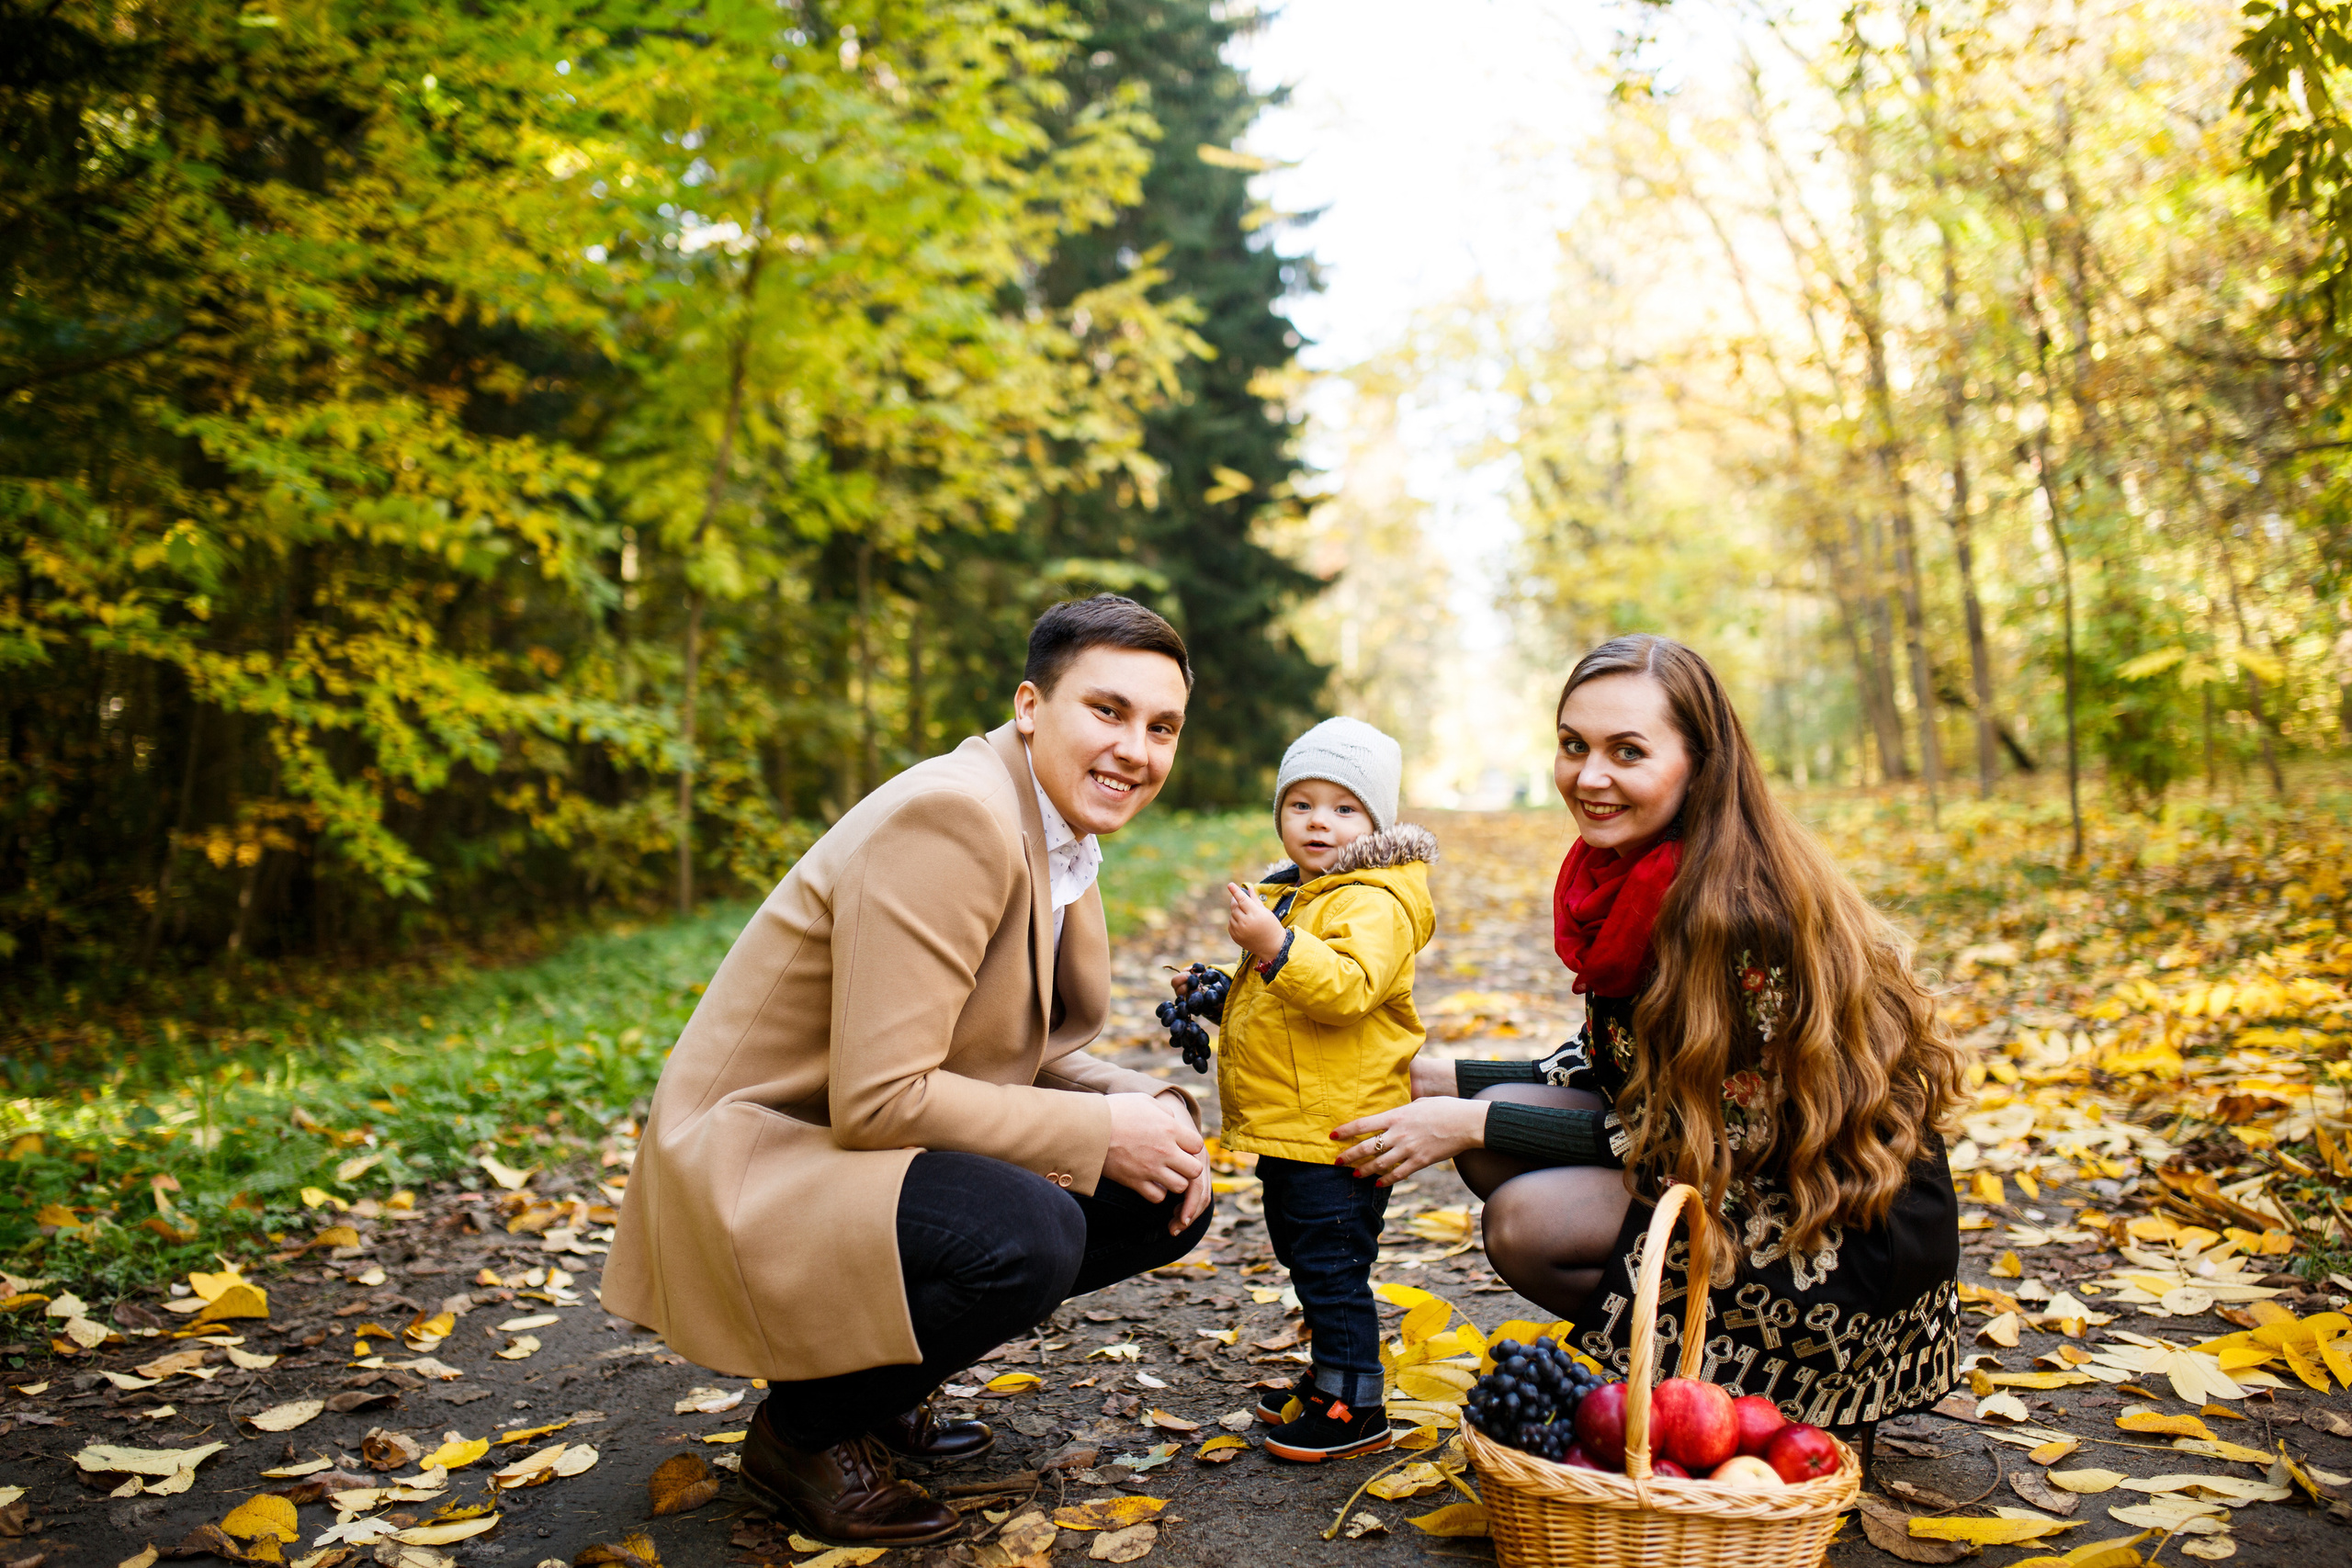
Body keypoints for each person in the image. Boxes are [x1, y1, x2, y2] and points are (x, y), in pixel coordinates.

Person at [603, 595, 1215, 1547]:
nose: (1135, 749)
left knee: (1161, 1188)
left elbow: (1033, 1051)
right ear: (1029, 706)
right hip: (759, 1150)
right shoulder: (953, 818)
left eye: (1160, 726)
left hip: (844, 1136)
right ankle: (803, 1434)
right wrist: (1100, 1134)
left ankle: (870, 1388)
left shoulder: (1054, 829)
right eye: (1107, 711)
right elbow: (881, 1096)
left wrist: (1153, 1109)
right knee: (1032, 1231)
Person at [1330, 634, 1968, 1433]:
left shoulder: (1738, 912)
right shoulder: (1637, 869)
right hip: (1740, 1168)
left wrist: (1468, 1116)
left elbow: (1716, 1132)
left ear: (1700, 762)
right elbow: (1622, 1064)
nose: (1589, 777)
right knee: (1490, 1134)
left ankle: (1739, 1394)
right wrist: (1447, 1080)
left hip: (1836, 1237)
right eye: (1573, 745)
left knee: (1524, 1216)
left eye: (1626, 751)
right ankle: (1677, 1367)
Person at [1170, 716, 1438, 1461]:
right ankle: (1330, 1377)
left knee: (1331, 1263)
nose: (1319, 820)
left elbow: (1345, 988)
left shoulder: (1375, 901)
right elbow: (1281, 998)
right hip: (1294, 1125)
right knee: (1304, 1251)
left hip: (1338, 1129)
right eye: (1302, 803)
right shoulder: (1302, 892)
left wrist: (1274, 946)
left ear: (1376, 820)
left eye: (1344, 807)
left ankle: (1357, 1405)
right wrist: (1219, 989)